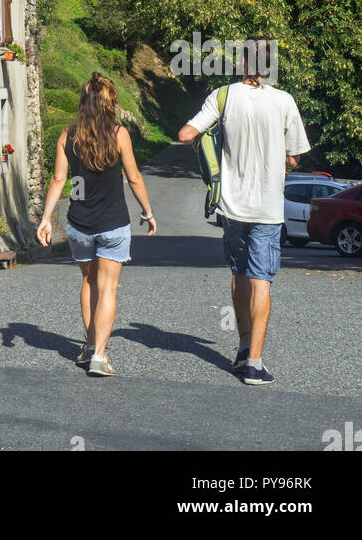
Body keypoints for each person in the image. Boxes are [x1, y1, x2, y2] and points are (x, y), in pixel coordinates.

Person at [178, 38, 310, 385]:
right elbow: (294, 158)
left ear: (242, 64)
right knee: (261, 280)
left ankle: (241, 346)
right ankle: (254, 362)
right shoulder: (284, 101)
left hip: (232, 207)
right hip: (267, 208)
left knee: (238, 273)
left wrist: (212, 145)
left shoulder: (223, 95)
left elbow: (186, 133)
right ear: (271, 66)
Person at [37, 72, 156, 376]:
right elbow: (134, 178)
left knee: (89, 283)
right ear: (109, 103)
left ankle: (90, 347)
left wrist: (46, 218)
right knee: (108, 288)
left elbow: (58, 179)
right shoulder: (119, 135)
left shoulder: (68, 135)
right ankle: (99, 356)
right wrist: (148, 212)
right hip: (113, 224)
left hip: (78, 224)